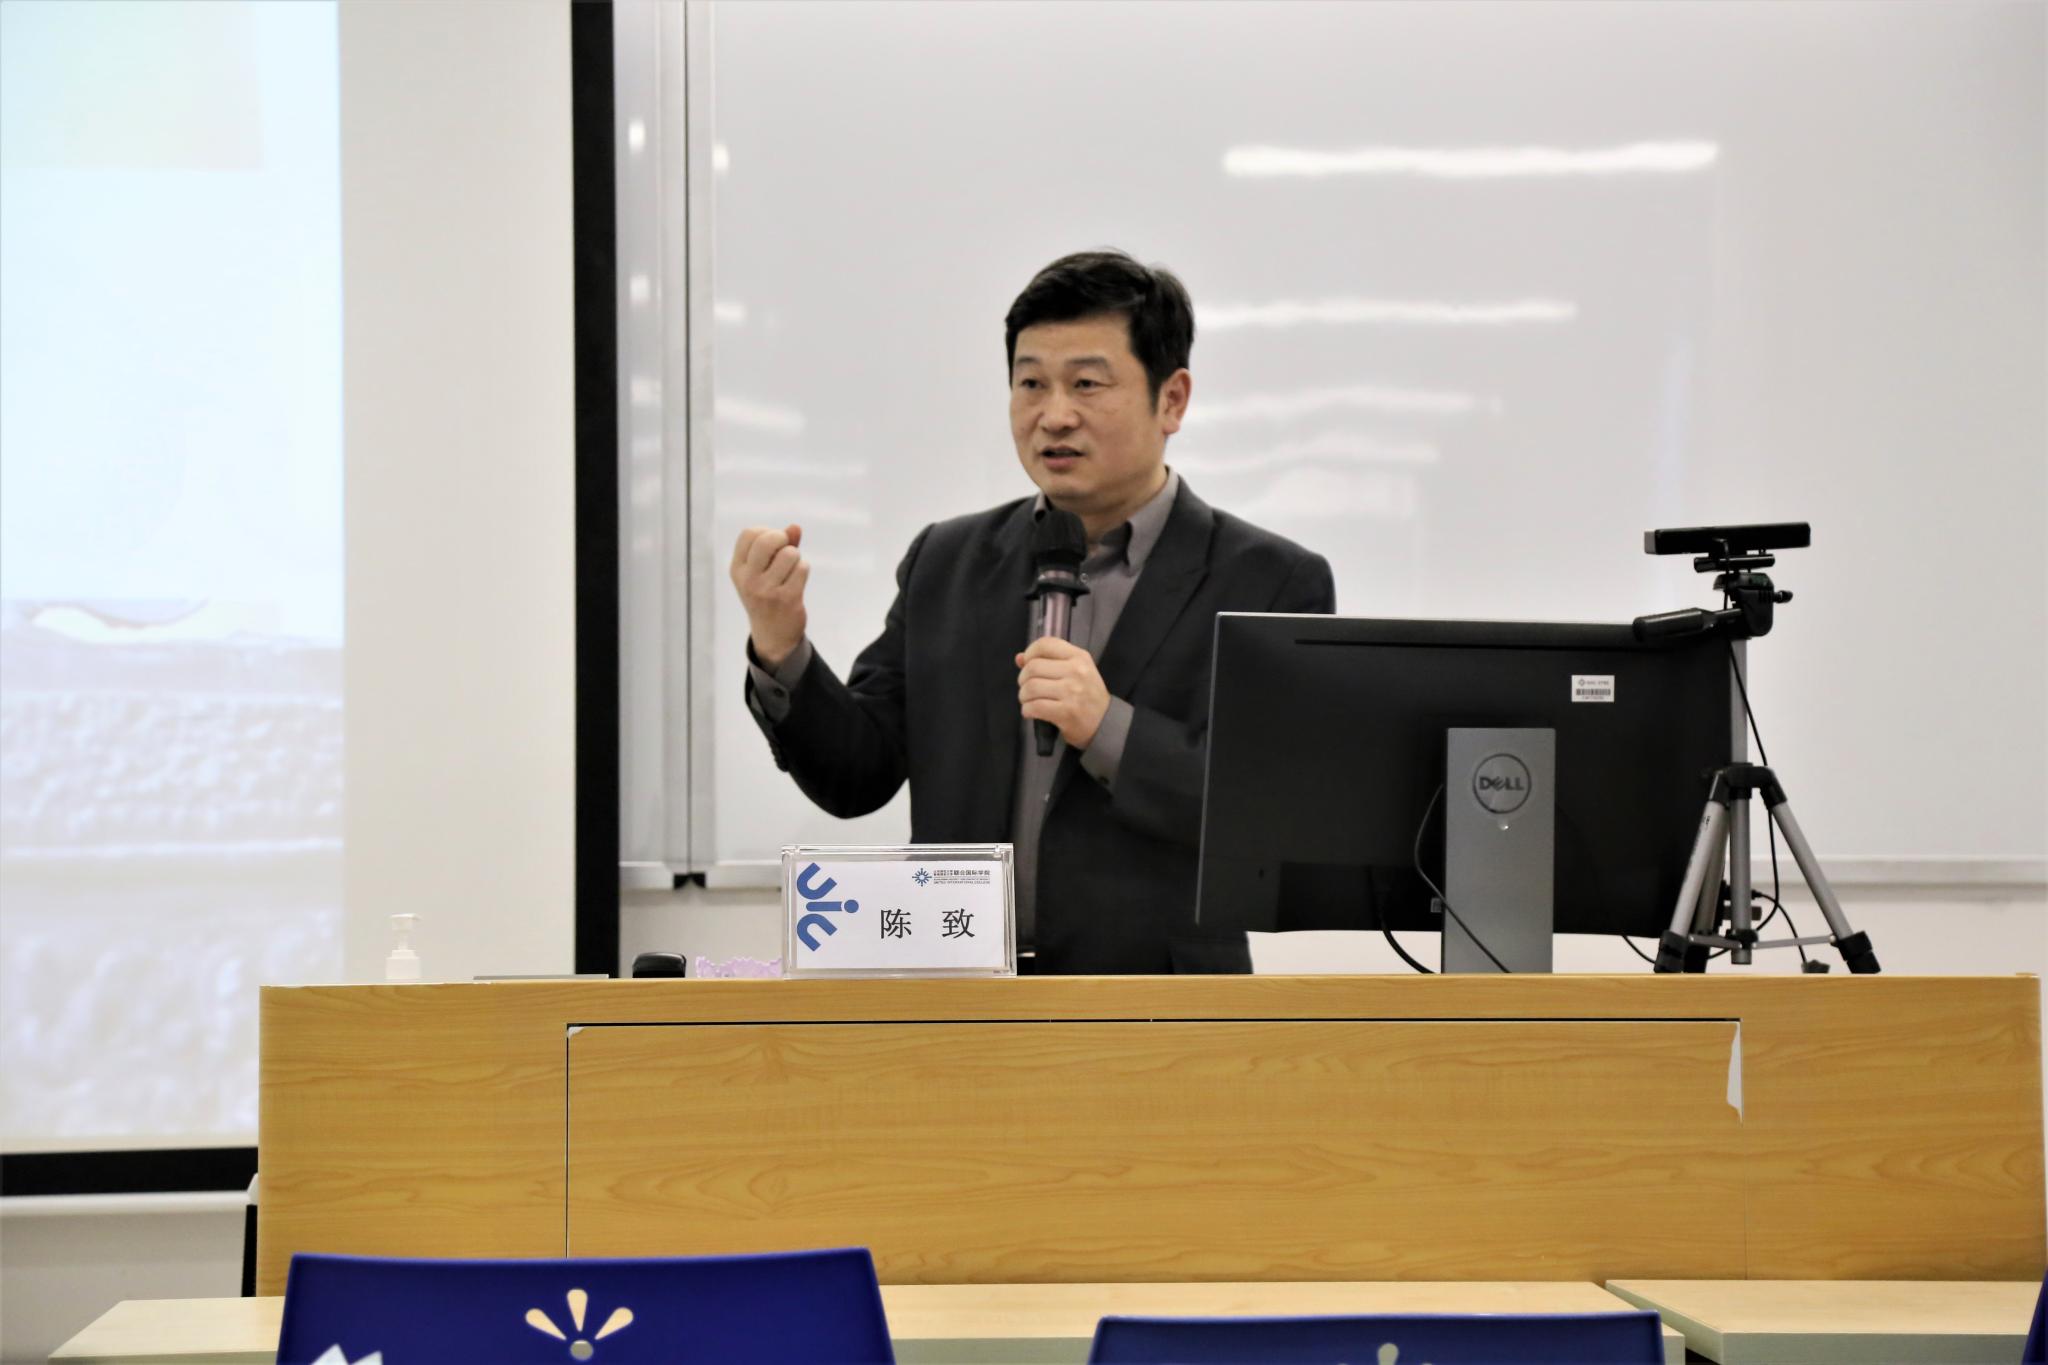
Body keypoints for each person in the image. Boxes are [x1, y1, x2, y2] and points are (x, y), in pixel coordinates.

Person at [731, 250, 1335, 973]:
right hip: (960, 997)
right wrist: (781, 648)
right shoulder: (946, 561)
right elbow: (856, 775)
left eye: (1086, 383)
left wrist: (1106, 727)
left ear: (1171, 399)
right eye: (1031, 384)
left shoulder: (1268, 581)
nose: (1054, 415)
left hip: (1161, 1011)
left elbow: (1270, 818)